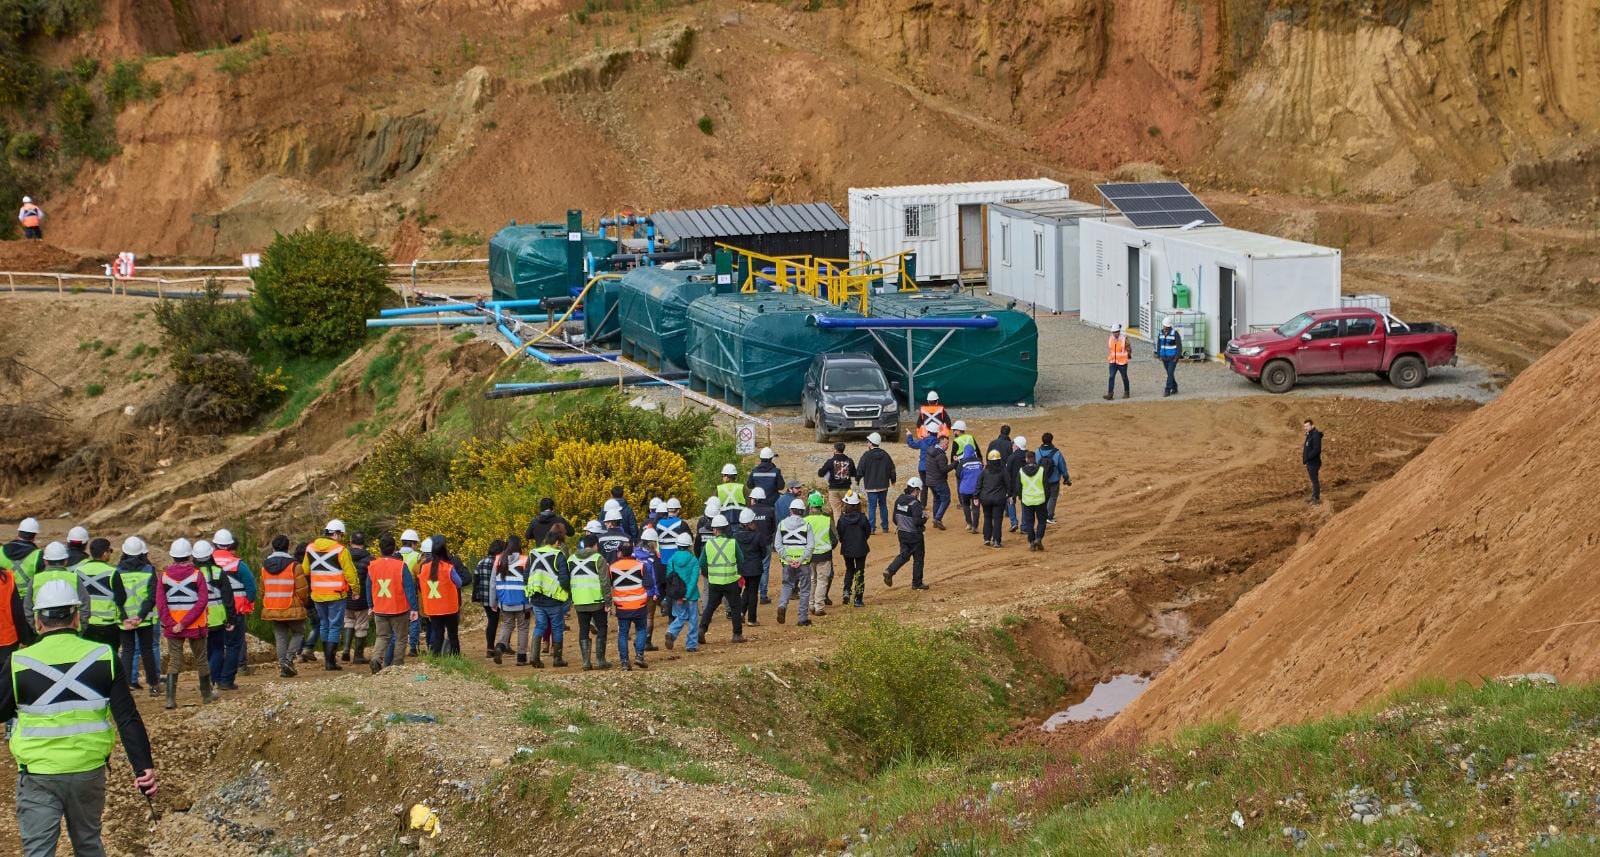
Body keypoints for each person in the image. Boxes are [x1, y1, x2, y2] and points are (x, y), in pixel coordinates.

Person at [2, 579, 157, 857]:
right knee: (88, 844)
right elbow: (127, 718)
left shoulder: (18, 662)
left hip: (38, 774)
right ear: (76, 617)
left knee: (38, 852)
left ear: (38, 620)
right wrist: (143, 767)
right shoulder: (104, 656)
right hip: (88, 772)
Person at [156, 539, 215, 707]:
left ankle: (170, 699)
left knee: (175, 660)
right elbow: (202, 601)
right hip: (195, 626)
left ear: (172, 556)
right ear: (189, 556)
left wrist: (171, 623)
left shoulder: (164, 577)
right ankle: (207, 696)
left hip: (173, 627)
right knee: (201, 660)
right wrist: (185, 622)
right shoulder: (197, 575)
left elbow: (161, 604)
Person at [302, 520, 357, 672]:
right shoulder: (341, 550)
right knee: (334, 627)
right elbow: (350, 573)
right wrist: (356, 589)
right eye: (341, 535)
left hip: (317, 595)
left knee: (325, 625)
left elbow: (305, 570)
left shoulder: (310, 548)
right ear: (336, 534)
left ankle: (328, 661)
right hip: (336, 595)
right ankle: (330, 662)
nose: (342, 538)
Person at [258, 535, 310, 678]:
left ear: (273, 547)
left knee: (280, 636)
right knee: (298, 632)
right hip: (291, 606)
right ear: (288, 547)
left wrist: (267, 602)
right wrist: (300, 603)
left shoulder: (264, 567)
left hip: (272, 606)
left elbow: (262, 590)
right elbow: (302, 590)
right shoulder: (294, 566)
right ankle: (288, 660)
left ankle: (283, 666)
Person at [366, 535, 418, 674]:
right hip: (399, 609)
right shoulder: (401, 566)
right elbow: (409, 588)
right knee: (401, 638)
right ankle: (397, 665)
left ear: (380, 549)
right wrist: (414, 607)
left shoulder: (373, 566)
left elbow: (368, 587)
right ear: (395, 548)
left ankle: (376, 658)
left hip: (380, 608)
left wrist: (371, 605)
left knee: (382, 637)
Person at [211, 529, 256, 689]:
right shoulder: (238, 564)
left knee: (215, 646)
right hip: (236, 610)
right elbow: (251, 587)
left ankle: (214, 679)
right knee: (233, 645)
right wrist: (249, 602)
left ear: (214, 545)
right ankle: (226, 680)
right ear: (230, 545)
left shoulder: (205, 564)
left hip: (213, 612)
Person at [192, 541, 239, 688]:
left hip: (199, 618)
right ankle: (212, 680)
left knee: (208, 650)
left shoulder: (193, 574)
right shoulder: (218, 572)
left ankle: (212, 679)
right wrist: (232, 618)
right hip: (217, 617)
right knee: (218, 649)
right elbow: (228, 597)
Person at [697, 515, 746, 645]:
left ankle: (702, 629)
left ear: (714, 530)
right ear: (726, 528)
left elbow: (701, 563)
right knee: (735, 607)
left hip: (714, 582)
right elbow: (741, 560)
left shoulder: (708, 544)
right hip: (731, 580)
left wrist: (709, 574)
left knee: (710, 607)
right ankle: (737, 634)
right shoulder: (732, 543)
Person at [112, 539, 153, 694]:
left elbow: (116, 597)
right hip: (144, 618)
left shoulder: (116, 571)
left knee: (127, 651)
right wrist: (141, 616)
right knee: (147, 650)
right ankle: (153, 684)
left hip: (126, 620)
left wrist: (124, 618)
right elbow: (152, 596)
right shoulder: (149, 570)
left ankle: (127, 683)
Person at [526, 531, 571, 668]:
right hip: (554, 600)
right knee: (557, 627)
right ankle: (557, 659)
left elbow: (526, 574)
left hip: (536, 598)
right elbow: (564, 579)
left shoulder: (533, 554)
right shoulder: (559, 556)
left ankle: (534, 657)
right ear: (557, 541)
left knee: (540, 625)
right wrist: (568, 593)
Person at [608, 536, 654, 670]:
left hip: (622, 606)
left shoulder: (612, 568)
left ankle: (624, 662)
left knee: (623, 633)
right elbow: (649, 583)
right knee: (641, 629)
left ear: (620, 552)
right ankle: (639, 656)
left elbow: (608, 585)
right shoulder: (641, 566)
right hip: (639, 605)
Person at [73, 539, 124, 661]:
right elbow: (121, 599)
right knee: (110, 659)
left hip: (85, 624)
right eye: (110, 551)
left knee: (87, 659)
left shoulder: (78, 571)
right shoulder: (112, 573)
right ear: (105, 553)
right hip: (108, 625)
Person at [568, 534, 612, 670]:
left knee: (584, 629)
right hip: (596, 600)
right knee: (602, 627)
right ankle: (600, 660)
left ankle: (586, 662)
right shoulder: (598, 558)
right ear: (595, 545)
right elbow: (605, 581)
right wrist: (608, 601)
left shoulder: (571, 559)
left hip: (579, 601)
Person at [417, 537, 463, 656]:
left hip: (433, 608)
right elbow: (459, 583)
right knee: (453, 635)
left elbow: (421, 586)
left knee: (438, 635)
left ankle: (435, 659)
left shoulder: (424, 568)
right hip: (449, 608)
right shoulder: (448, 568)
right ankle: (456, 659)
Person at [491, 536, 532, 666]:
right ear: (519, 546)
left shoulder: (498, 560)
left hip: (505, 602)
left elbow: (493, 584)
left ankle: (500, 646)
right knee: (523, 628)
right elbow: (530, 581)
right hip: (523, 602)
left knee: (507, 625)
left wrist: (494, 602)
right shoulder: (525, 560)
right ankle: (521, 658)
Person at [882, 479, 928, 589]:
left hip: (902, 533)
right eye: (919, 491)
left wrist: (903, 525)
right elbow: (917, 521)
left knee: (904, 555)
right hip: (914, 535)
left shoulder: (899, 499)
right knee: (918, 558)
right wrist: (925, 518)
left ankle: (890, 570)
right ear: (916, 490)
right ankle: (917, 583)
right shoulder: (915, 504)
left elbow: (894, 519)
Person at [774, 504, 813, 626]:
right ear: (802, 511)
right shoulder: (807, 526)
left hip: (787, 563)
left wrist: (788, 558)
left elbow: (778, 545)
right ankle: (802, 618)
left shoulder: (782, 524)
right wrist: (800, 559)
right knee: (805, 590)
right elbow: (810, 546)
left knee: (787, 585)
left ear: (790, 510)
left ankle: (782, 605)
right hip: (804, 563)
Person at [664, 532, 700, 651]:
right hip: (692, 595)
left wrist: (678, 595)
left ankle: (671, 631)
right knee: (693, 619)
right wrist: (688, 594)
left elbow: (669, 578)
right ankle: (691, 645)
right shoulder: (694, 560)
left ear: (677, 545)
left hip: (677, 595)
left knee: (681, 616)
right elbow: (694, 580)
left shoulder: (672, 560)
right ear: (689, 546)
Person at [339, 532, 370, 666]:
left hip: (346, 596)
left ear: (350, 542)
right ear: (364, 543)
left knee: (348, 621)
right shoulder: (370, 559)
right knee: (361, 626)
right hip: (362, 598)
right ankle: (358, 656)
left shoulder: (342, 556)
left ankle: (346, 650)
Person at [835, 491, 871, 607]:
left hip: (847, 549)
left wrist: (845, 542)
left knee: (849, 570)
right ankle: (858, 600)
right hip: (861, 549)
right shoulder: (863, 518)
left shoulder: (842, 519)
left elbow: (839, 534)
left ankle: (846, 591)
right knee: (860, 573)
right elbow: (867, 532)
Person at [804, 493, 837, 613]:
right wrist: (828, 547)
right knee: (822, 580)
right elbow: (835, 539)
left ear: (810, 505)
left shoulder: (805, 520)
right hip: (824, 555)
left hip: (809, 556)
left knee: (812, 579)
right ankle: (819, 607)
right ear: (821, 505)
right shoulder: (827, 520)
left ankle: (811, 605)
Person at [858, 433, 896, 534]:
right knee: (883, 505)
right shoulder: (885, 454)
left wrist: (857, 479)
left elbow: (860, 469)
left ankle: (871, 528)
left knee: (872, 506)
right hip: (883, 485)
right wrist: (893, 480)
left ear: (871, 443)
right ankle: (885, 527)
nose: (867, 443)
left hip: (871, 486)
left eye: (868, 441)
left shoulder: (866, 455)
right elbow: (891, 468)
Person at [472, 539, 504, 658]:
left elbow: (476, 579)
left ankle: (490, 647)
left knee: (492, 621)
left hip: (484, 597)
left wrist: (475, 596)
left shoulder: (481, 562)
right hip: (498, 597)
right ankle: (498, 646)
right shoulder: (499, 562)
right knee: (499, 621)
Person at [734, 508, 765, 625]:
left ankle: (741, 613)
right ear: (751, 523)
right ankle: (752, 619)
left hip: (741, 568)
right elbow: (763, 552)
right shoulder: (758, 536)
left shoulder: (735, 536)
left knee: (747, 590)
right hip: (755, 568)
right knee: (752, 592)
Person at [746, 487, 775, 608]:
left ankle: (751, 593)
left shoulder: (748, 510)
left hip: (751, 543)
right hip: (766, 543)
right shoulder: (770, 510)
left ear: (754, 499)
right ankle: (763, 595)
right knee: (765, 568)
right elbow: (774, 527)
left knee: (751, 567)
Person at [4, 517, 42, 608]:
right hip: (27, 601)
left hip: (5, 598)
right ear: (34, 535)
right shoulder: (38, 555)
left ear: (18, 533)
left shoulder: (1, 551)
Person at [1017, 451, 1051, 551]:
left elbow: (1019, 486)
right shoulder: (1041, 470)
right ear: (1035, 459)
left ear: (1026, 459)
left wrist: (1020, 497)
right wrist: (1046, 498)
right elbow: (1046, 486)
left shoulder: (1021, 471)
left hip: (1027, 500)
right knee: (1041, 521)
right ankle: (1039, 538)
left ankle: (1031, 541)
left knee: (1029, 522)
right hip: (1040, 499)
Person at [1036, 433, 1071, 525]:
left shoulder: (1037, 452)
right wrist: (1066, 477)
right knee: (1052, 498)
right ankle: (1049, 516)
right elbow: (1062, 466)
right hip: (1054, 480)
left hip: (1041, 480)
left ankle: (1042, 515)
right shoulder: (1057, 453)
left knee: (1043, 497)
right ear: (1051, 440)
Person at [978, 449, 1011, 548]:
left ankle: (987, 538)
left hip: (985, 499)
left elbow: (978, 484)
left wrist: (976, 496)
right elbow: (1008, 484)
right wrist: (1009, 495)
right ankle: (996, 540)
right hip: (999, 499)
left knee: (987, 518)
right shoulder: (1003, 471)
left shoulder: (984, 472)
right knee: (997, 520)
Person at [398, 529, 424, 657]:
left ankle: (397, 647)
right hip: (412, 589)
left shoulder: (395, 554)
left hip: (396, 591)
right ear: (414, 543)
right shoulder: (418, 556)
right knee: (414, 617)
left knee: (398, 619)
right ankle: (413, 647)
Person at [817, 442, 856, 515]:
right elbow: (854, 474)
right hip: (846, 489)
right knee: (847, 510)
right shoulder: (849, 461)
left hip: (833, 489)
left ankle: (838, 526)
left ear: (835, 450)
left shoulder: (830, 461)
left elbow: (821, 473)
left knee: (836, 511)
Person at [924, 434, 953, 530]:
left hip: (930, 481)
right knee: (946, 499)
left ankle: (936, 519)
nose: (947, 446)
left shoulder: (930, 450)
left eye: (947, 444)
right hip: (939, 481)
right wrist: (955, 464)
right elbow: (944, 469)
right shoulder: (940, 455)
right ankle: (937, 518)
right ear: (941, 443)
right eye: (945, 444)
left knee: (937, 499)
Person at [905, 428, 939, 506]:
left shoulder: (923, 441)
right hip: (932, 467)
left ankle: (923, 504)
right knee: (934, 485)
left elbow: (912, 444)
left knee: (924, 486)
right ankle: (937, 502)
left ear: (929, 433)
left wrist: (909, 435)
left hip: (922, 467)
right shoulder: (937, 442)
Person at [956, 443, 983, 534]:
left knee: (966, 505)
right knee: (976, 507)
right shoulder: (979, 461)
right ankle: (975, 526)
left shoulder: (962, 462)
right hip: (976, 489)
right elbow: (982, 472)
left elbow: (958, 474)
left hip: (965, 489)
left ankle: (969, 523)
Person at [1005, 436, 1028, 532]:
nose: (1012, 446)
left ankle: (1014, 522)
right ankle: (1024, 526)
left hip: (1013, 484)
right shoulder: (1028, 455)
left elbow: (1008, 472)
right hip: (1026, 484)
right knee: (1024, 504)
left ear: (1017, 446)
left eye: (1014, 444)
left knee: (1010, 502)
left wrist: (1007, 487)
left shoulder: (1012, 457)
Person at [1155, 317, 1183, 396]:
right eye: (1164, 326)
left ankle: (1167, 390)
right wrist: (1159, 355)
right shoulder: (1160, 333)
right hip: (1164, 357)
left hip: (1172, 358)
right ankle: (1174, 387)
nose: (1165, 328)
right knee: (1169, 373)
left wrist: (1176, 357)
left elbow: (1179, 346)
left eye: (1167, 327)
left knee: (1170, 372)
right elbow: (1159, 344)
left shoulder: (1175, 333)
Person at [655, 499, 687, 566]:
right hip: (678, 560)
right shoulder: (682, 523)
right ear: (678, 510)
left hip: (663, 559)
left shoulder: (658, 524)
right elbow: (689, 540)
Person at [1105, 324, 1131, 400]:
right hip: (1113, 361)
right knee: (1111, 377)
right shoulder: (1111, 339)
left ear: (1119, 332)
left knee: (1124, 377)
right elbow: (1111, 349)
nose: (1115, 334)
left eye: (1116, 332)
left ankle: (1127, 392)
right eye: (1114, 332)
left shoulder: (1124, 339)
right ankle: (1110, 394)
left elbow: (1129, 348)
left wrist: (1128, 355)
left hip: (1122, 362)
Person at [1303, 419, 1323, 505]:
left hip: (1314, 463)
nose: (1306, 428)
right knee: (1313, 481)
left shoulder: (1315, 435)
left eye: (1307, 426)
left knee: (1315, 481)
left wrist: (1308, 457)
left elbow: (1317, 449)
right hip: (1310, 462)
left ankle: (1316, 499)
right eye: (1305, 426)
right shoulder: (1310, 434)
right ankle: (1313, 496)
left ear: (1312, 425)